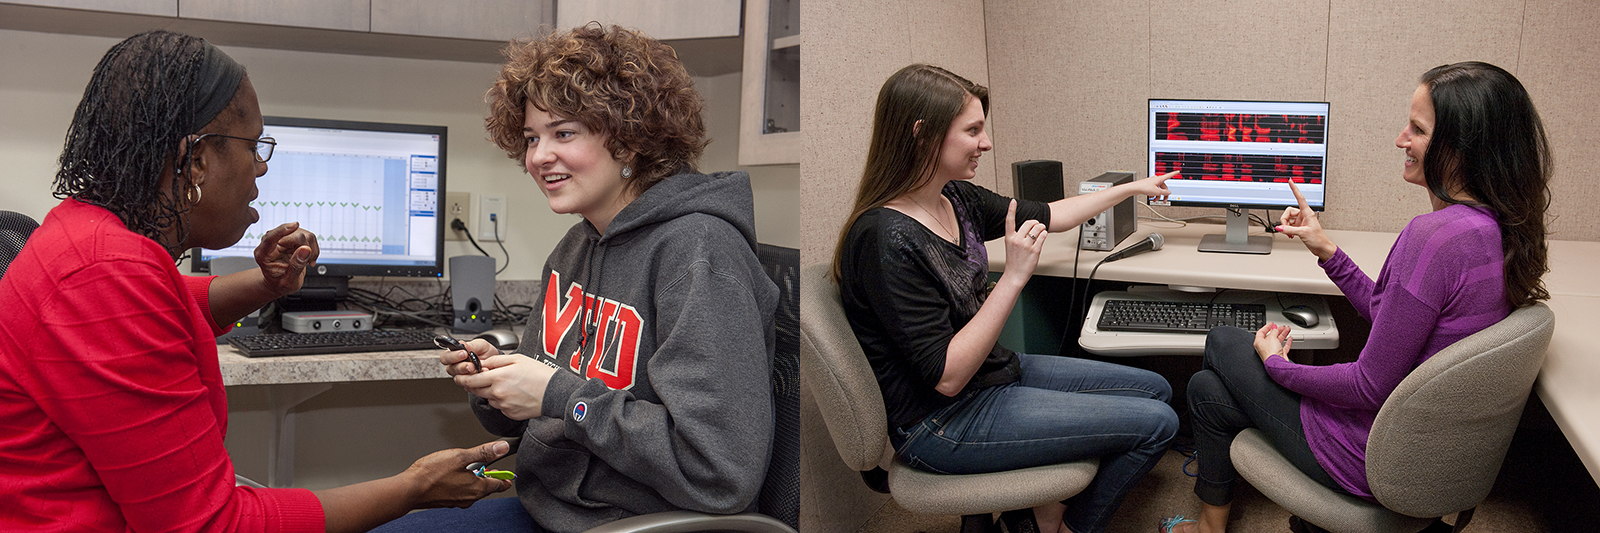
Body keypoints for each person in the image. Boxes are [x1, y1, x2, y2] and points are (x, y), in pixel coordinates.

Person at [0, 30, 513, 532]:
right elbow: (213, 524)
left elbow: (169, 305)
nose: (262, 167)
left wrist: (267, 285)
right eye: (254, 146)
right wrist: (414, 489)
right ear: (195, 160)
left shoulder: (87, 236)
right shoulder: (105, 275)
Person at [375, 24, 780, 533]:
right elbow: (541, 410)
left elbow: (719, 472)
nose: (539, 157)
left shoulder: (699, 253)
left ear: (631, 138)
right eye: (530, 138)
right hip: (548, 506)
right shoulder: (574, 247)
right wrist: (495, 383)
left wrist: (559, 395)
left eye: (563, 133)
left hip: (632, 522)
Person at [1161, 61, 1552, 533]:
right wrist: (1326, 249)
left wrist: (1277, 364)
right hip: (1421, 449)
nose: (1400, 139)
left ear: (1462, 148)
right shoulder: (1498, 228)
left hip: (1370, 453)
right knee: (1206, 391)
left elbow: (1369, 385)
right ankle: (1210, 525)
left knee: (1224, 343)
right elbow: (1399, 321)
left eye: (1418, 129)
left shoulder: (1433, 238)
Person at [833, 63, 1180, 533]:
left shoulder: (953, 198)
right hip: (942, 422)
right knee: (1158, 423)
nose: (987, 143)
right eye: (973, 130)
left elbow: (1051, 214)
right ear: (922, 133)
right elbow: (948, 377)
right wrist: (1015, 278)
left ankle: (1030, 514)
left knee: (1157, 390)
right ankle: (1055, 527)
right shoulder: (884, 239)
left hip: (992, 375)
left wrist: (1131, 189)